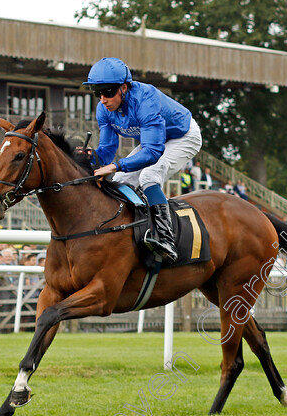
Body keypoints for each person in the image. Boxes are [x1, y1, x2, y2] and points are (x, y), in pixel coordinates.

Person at [85, 57, 202, 262]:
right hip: (155, 141)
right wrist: (90, 157)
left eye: (108, 92)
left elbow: (153, 152)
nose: (103, 99)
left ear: (124, 88)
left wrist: (114, 165)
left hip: (183, 136)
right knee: (120, 180)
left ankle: (167, 238)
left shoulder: (145, 98)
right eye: (98, 93)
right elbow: (107, 149)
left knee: (149, 175)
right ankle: (138, 230)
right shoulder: (104, 109)